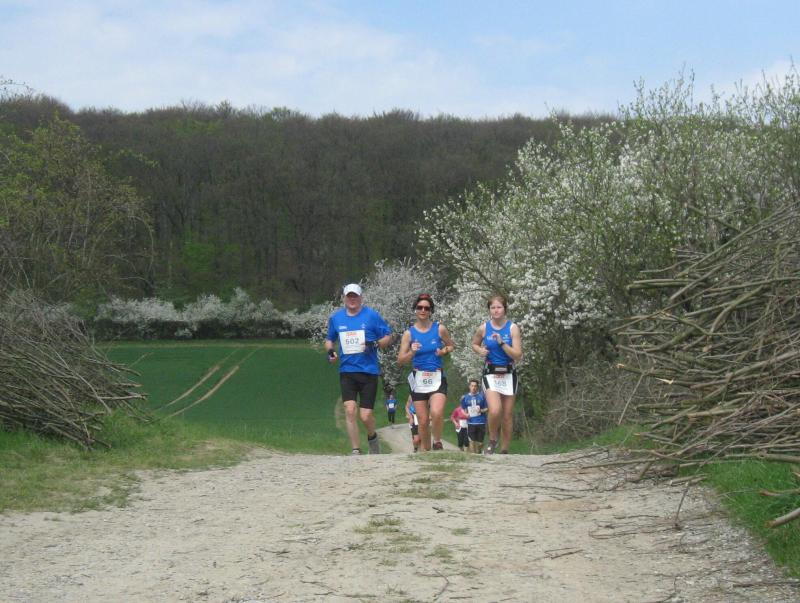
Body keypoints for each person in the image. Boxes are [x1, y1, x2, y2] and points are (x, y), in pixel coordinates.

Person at [325, 283, 393, 455]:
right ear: (344, 298)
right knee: (349, 410)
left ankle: (372, 438)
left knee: (365, 416)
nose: (352, 299)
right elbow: (329, 339)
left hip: (368, 371)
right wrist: (331, 352)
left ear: (361, 297)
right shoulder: (336, 318)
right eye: (349, 296)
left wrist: (375, 343)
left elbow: (388, 336)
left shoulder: (371, 315)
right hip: (347, 371)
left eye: (355, 296)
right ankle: (356, 449)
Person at [397, 293, 455, 451]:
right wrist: (412, 352)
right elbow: (400, 360)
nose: (423, 310)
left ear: (431, 311)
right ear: (415, 310)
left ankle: (437, 442)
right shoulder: (409, 334)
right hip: (419, 378)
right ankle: (426, 452)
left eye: (427, 308)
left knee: (436, 411)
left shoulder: (439, 329)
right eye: (420, 307)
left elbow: (451, 345)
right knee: (422, 421)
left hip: (437, 376)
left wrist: (443, 351)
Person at [471, 294, 522, 454]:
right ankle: (493, 440)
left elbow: (517, 355)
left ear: (505, 309)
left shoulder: (513, 328)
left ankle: (504, 449)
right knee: (494, 410)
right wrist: (480, 350)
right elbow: (474, 344)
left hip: (509, 373)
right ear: (489, 310)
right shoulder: (484, 328)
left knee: (507, 415)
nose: (496, 310)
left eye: (499, 307)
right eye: (492, 307)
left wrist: (502, 343)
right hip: (490, 373)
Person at [460, 378, 488, 454]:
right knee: (472, 441)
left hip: (481, 422)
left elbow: (487, 408)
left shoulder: (482, 397)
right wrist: (466, 414)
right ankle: (473, 456)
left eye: (475, 386)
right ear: (469, 386)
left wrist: (481, 410)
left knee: (480, 443)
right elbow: (463, 409)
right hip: (471, 422)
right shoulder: (465, 398)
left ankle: (478, 452)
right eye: (472, 386)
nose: (473, 387)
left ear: (477, 387)